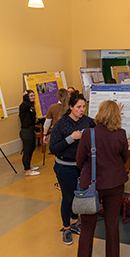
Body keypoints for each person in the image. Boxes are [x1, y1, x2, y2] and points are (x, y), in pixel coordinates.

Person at [76, 100, 129, 257]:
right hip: (115, 184)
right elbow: (124, 158)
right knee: (112, 224)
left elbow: (79, 162)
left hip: (92, 184)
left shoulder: (88, 134)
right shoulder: (121, 134)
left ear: (100, 113)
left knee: (87, 226)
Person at [49, 92, 96, 245]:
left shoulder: (87, 121)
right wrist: (71, 138)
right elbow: (53, 147)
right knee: (67, 198)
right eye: (78, 107)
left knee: (78, 195)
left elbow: (100, 126)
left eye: (84, 107)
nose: (82, 110)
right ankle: (67, 228)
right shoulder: (61, 124)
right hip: (64, 167)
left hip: (81, 167)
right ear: (70, 107)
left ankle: (75, 222)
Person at [19, 90, 40, 176]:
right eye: (31, 96)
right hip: (26, 132)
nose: (33, 97)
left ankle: (29, 166)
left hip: (31, 131)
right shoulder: (24, 106)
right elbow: (26, 105)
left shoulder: (30, 107)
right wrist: (25, 96)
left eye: (33, 96)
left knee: (32, 148)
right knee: (27, 151)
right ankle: (27, 170)